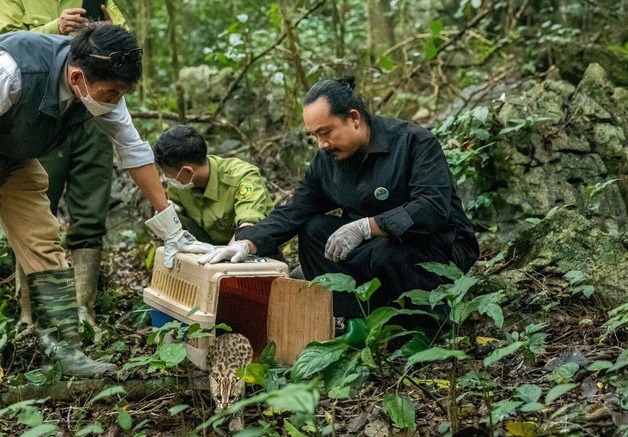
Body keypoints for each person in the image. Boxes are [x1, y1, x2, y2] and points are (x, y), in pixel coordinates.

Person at [0, 24, 211, 391]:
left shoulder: (102, 85)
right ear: (78, 76)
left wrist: (172, 230)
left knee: (44, 245)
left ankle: (68, 353)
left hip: (12, 158)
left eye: (123, 92)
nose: (116, 99)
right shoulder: (12, 71)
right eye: (113, 92)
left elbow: (133, 150)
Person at [200, 76, 479, 339]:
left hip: (439, 243)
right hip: (375, 250)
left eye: (326, 132)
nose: (322, 144)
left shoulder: (414, 142)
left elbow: (432, 208)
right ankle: (355, 321)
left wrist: (368, 226)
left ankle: (426, 327)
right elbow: (295, 209)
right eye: (314, 136)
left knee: (388, 251)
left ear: (354, 119)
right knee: (313, 229)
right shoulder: (327, 160)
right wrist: (246, 244)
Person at [0, 0, 128, 329]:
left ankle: (84, 310)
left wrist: (109, 32)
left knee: (91, 211)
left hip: (91, 110)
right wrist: (56, 27)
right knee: (34, 212)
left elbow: (125, 45)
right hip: (41, 108)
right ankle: (29, 312)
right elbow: (3, 44)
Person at [153, 124, 274, 246]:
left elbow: (249, 223)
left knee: (249, 235)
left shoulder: (242, 176)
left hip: (253, 247)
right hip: (209, 246)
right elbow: (179, 219)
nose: (168, 179)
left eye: (168, 174)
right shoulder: (180, 183)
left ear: (188, 171)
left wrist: (231, 256)